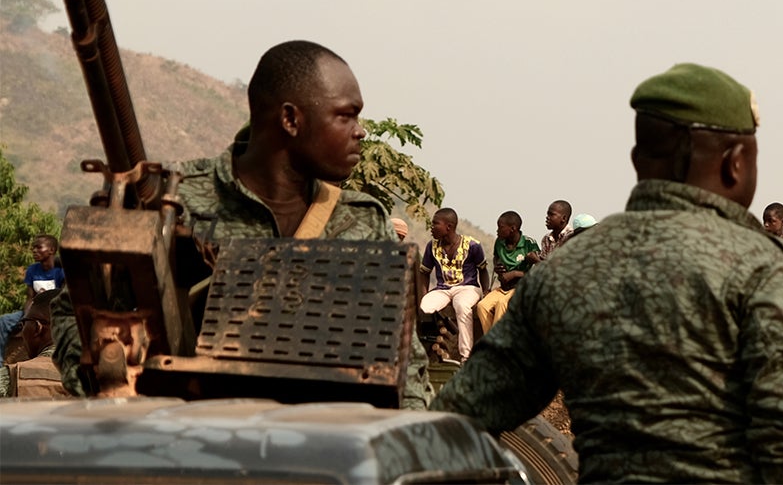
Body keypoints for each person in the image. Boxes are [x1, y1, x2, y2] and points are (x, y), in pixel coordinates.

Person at [432, 62, 783, 484]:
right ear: (736, 163)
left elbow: (456, 418)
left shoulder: (565, 269)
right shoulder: (760, 265)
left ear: (638, 159)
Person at [49, 40, 433, 408]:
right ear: (290, 120)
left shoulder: (363, 222)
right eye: (345, 115)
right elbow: (75, 314)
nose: (360, 130)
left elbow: (406, 363)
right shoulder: (172, 202)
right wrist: (116, 394)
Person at [418, 208, 487, 364]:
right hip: (443, 289)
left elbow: (483, 270)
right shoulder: (432, 246)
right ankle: (429, 351)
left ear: (448, 227)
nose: (431, 227)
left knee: (462, 306)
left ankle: (465, 356)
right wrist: (424, 295)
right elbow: (424, 273)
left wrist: (486, 291)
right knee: (425, 307)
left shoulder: (472, 245)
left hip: (468, 287)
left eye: (436, 224)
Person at [473, 211, 539, 336]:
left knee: (502, 304)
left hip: (520, 288)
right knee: (482, 306)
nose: (497, 230)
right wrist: (498, 266)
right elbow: (496, 257)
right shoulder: (499, 242)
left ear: (513, 229)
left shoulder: (529, 244)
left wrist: (514, 273)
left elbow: (538, 270)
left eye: (500, 227)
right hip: (503, 287)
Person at [0, 235, 65, 345]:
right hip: (34, 312)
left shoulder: (61, 270)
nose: (34, 251)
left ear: (52, 250)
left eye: (39, 247)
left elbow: (65, 298)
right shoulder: (32, 270)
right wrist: (26, 317)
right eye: (33, 248)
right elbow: (30, 298)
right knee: (3, 322)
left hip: (54, 312)